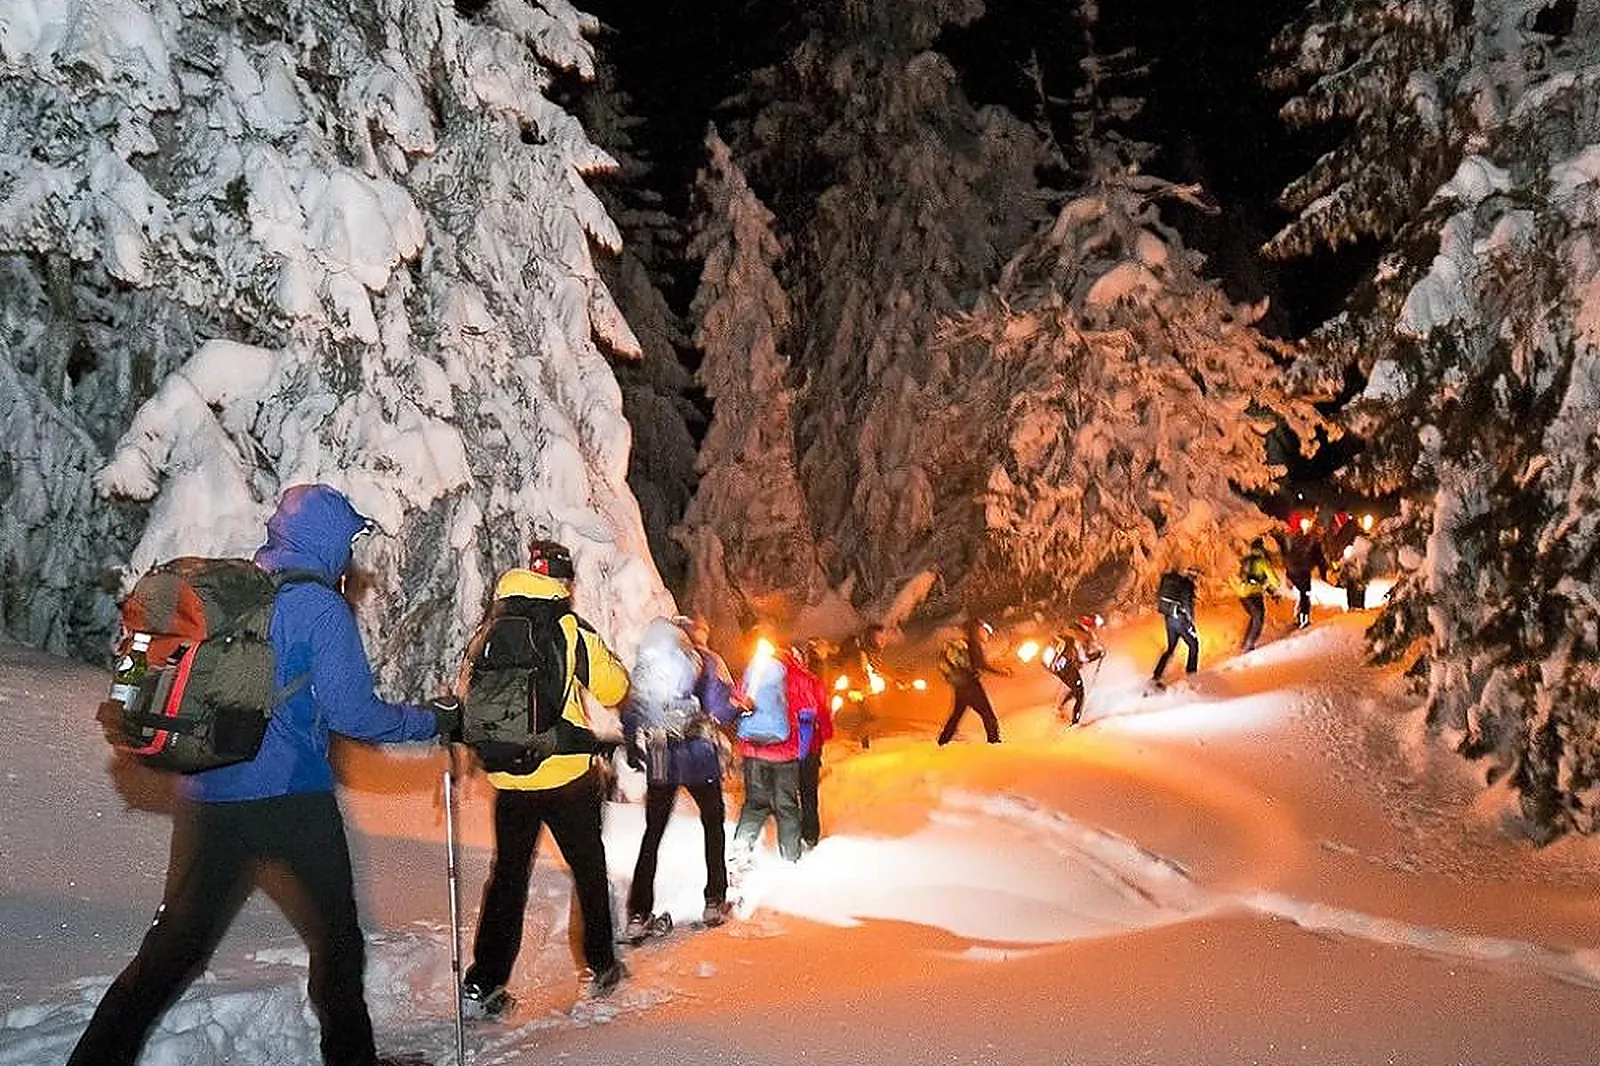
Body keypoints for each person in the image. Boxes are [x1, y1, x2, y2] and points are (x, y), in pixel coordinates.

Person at [67, 484, 456, 1066]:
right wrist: (431, 720)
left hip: (208, 798)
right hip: (292, 802)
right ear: (327, 544)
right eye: (348, 542)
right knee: (338, 945)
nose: (351, 556)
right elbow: (356, 715)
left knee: (170, 951)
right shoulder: (320, 609)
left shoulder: (234, 593)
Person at [456, 540, 631, 1016]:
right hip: (566, 777)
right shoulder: (567, 627)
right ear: (564, 582)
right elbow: (614, 686)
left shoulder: (492, 625)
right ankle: (600, 965)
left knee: (508, 878)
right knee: (589, 870)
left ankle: (484, 982)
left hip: (510, 780)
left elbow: (469, 691)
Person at [621, 615, 740, 938]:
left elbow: (633, 710)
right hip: (699, 756)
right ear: (696, 634)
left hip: (661, 755)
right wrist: (738, 708)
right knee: (713, 825)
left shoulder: (651, 663)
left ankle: (638, 913)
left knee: (653, 834)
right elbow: (719, 708)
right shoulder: (706, 661)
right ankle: (714, 899)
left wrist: (633, 744)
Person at [731, 634, 807, 863]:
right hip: (785, 752)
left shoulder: (753, 671)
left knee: (755, 803)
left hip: (754, 749)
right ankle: (790, 855)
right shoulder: (795, 674)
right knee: (787, 805)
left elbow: (738, 698)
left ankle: (741, 849)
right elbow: (807, 709)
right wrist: (804, 749)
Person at [936, 618, 1010, 745]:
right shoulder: (973, 644)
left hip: (960, 686)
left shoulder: (963, 643)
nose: (983, 632)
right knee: (988, 716)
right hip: (971, 684)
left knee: (956, 716)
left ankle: (942, 742)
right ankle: (994, 743)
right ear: (975, 630)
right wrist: (1002, 672)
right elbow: (981, 664)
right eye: (981, 629)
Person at [795, 640, 834, 850]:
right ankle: (810, 834)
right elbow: (823, 710)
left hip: (787, 745)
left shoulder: (779, 679)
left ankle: (791, 838)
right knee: (808, 791)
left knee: (789, 792)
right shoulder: (812, 682)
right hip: (810, 744)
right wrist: (826, 732)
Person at [835, 622, 891, 748]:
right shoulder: (863, 653)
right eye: (879, 637)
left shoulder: (871, 651)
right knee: (874, 717)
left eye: (883, 637)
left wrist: (893, 680)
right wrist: (857, 690)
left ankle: (863, 744)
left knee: (869, 717)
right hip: (861, 690)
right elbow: (857, 671)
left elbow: (875, 671)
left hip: (866, 689)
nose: (882, 640)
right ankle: (856, 740)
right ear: (871, 637)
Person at [1046, 614, 1105, 725]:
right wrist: (1097, 655)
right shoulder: (1081, 636)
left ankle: (1059, 708)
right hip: (1066, 666)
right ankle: (1075, 722)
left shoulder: (1074, 629)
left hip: (1059, 666)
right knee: (1080, 694)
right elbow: (1083, 658)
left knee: (1074, 688)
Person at [1151, 567, 1200, 686]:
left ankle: (1157, 675)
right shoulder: (1187, 584)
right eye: (1196, 575)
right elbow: (1187, 604)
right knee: (1194, 645)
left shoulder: (1172, 582)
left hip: (1169, 618)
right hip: (1180, 619)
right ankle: (1191, 676)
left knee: (1171, 648)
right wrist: (1191, 623)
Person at [1233, 538, 1279, 652]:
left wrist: (1267, 589)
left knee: (1254, 617)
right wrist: (1273, 588)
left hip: (1242, 594)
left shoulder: (1246, 560)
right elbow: (1274, 580)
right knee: (1258, 618)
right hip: (1253, 594)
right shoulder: (1262, 561)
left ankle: (1246, 642)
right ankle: (1249, 644)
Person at [1282, 517, 1327, 629]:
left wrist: (1288, 574)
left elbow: (1287, 555)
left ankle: (1298, 617)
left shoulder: (1294, 538)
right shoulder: (1314, 542)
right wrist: (1324, 575)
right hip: (1303, 573)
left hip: (1293, 571)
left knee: (1302, 594)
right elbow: (1320, 560)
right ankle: (1303, 620)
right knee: (1305, 596)